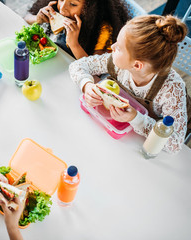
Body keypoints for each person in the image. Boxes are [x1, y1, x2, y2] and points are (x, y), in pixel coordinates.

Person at [69, 15, 190, 153]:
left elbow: (175, 143)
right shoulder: (117, 62)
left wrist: (136, 119)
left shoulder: (171, 90)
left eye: (119, 48)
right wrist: (87, 85)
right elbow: (79, 65)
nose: (112, 47)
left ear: (137, 65)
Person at [24, 0, 131, 59]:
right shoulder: (56, 5)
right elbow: (26, 17)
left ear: (90, 8)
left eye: (73, 4)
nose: (62, 9)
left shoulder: (104, 30)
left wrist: (74, 44)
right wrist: (37, 19)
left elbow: (95, 71)